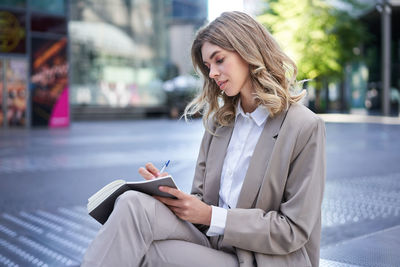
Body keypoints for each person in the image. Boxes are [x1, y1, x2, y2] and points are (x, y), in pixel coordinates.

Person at [82, 11, 326, 267]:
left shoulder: (303, 126)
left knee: (147, 255)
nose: (212, 74)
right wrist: (171, 194)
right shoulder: (220, 123)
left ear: (248, 51)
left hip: (261, 259)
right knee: (132, 203)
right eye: (208, 67)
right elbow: (201, 200)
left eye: (219, 60)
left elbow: (293, 230)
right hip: (211, 241)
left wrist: (212, 216)